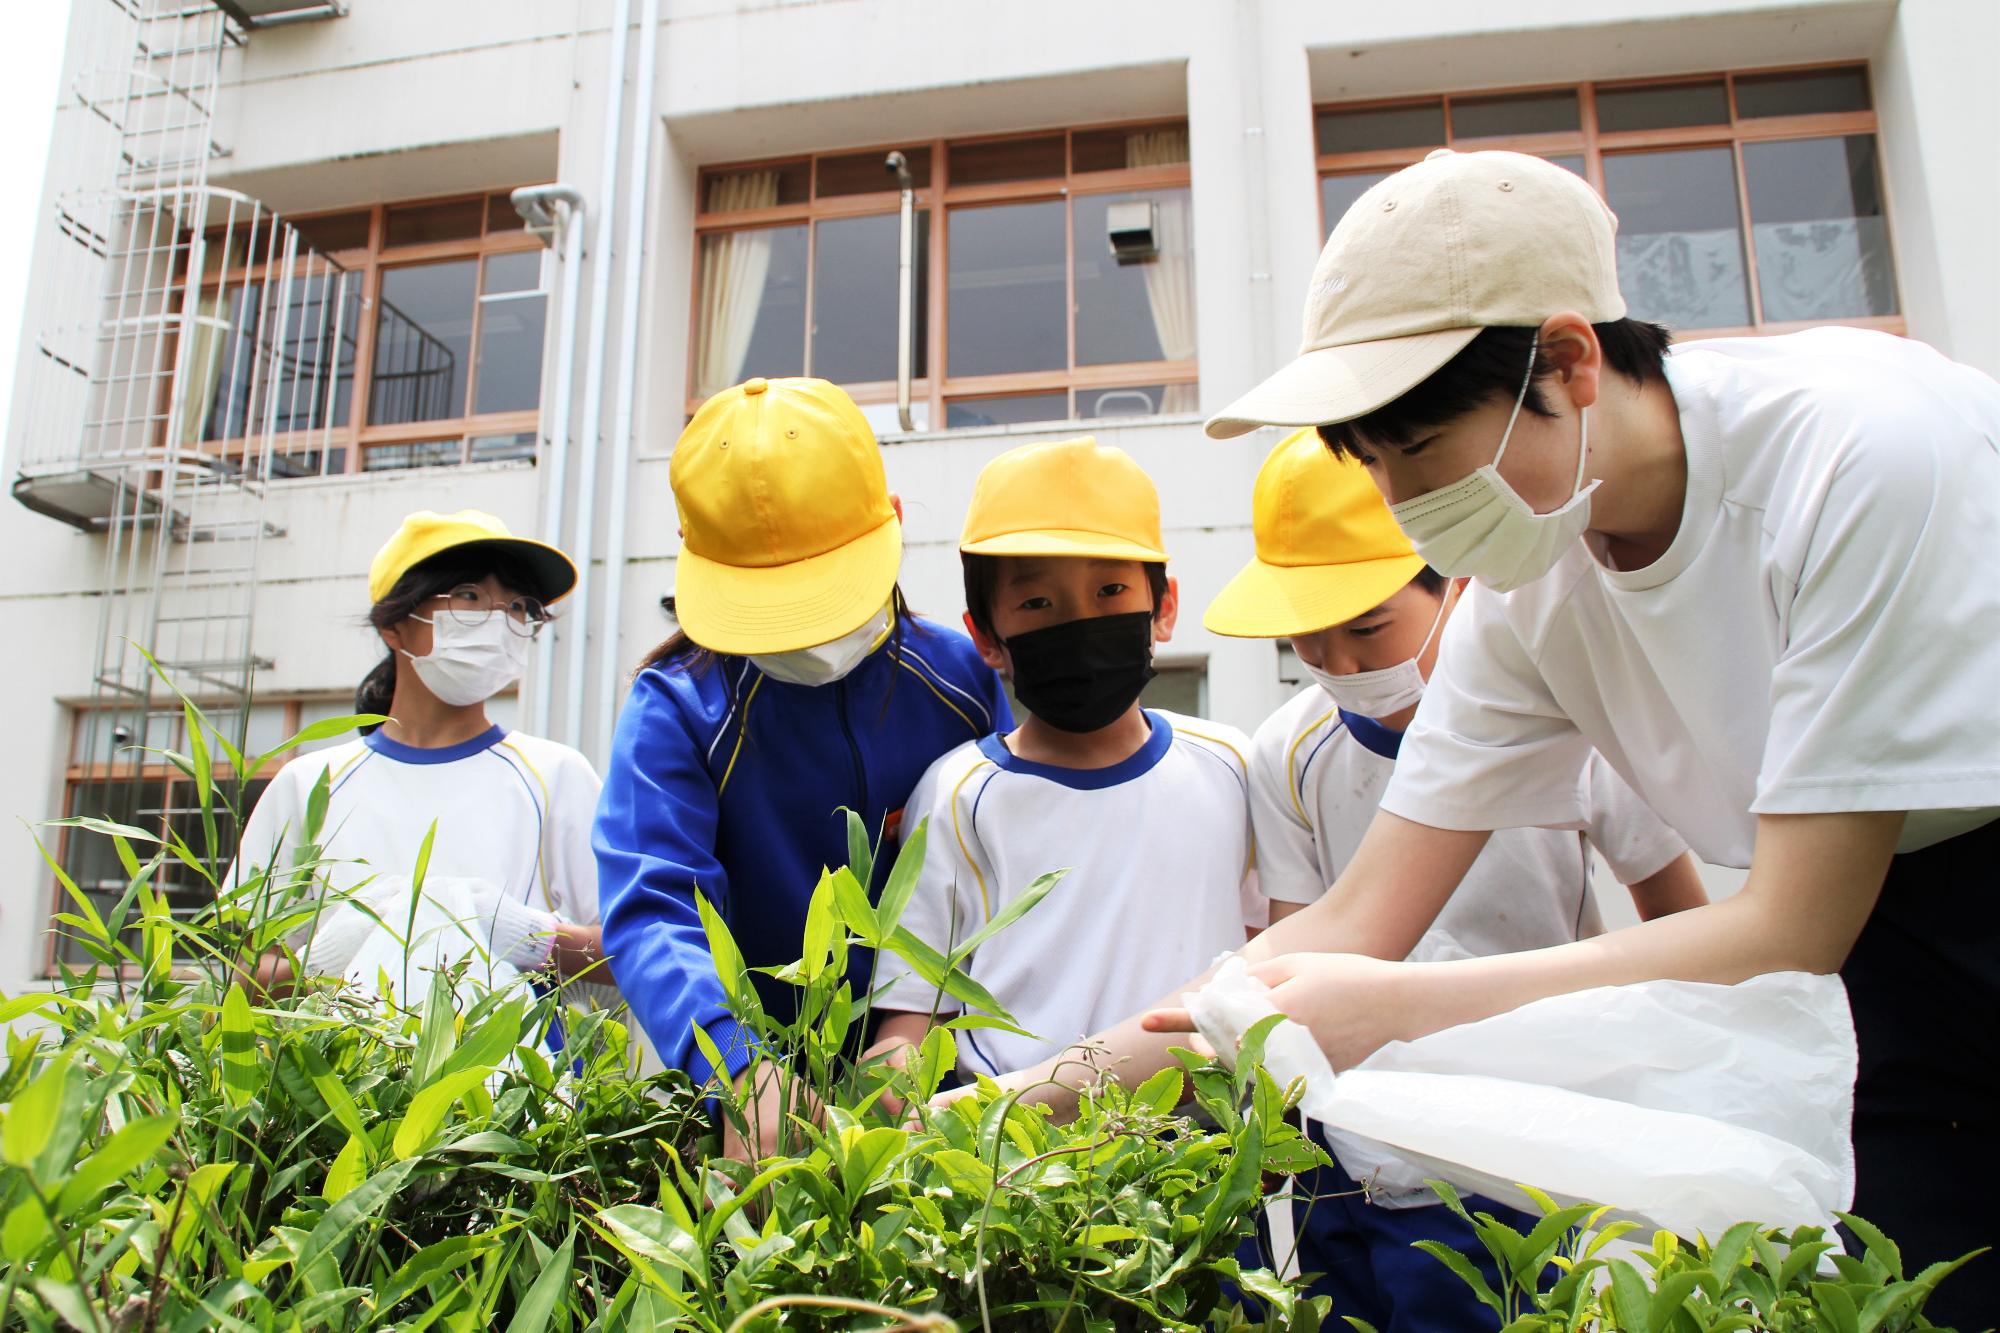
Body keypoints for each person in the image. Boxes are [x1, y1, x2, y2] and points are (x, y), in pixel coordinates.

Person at [974, 148, 1996, 1318]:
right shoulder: (1529, 591)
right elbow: (1355, 922)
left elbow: (1789, 925)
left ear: (1564, 362)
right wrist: (1008, 1109)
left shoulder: (1859, 458)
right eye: (1373, 466)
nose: (1405, 506)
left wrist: (1394, 1004)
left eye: (1418, 451)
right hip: (1873, 964)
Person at [1205, 427, 1705, 1328]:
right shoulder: (1289, 751)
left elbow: (1678, 917)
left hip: (1519, 1136)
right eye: (1307, 639)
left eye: (1367, 625)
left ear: (1456, 583)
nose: (1340, 664)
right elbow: (1289, 944)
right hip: (1348, 1148)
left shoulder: (1569, 724)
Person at [594, 377, 1010, 1154]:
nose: (806, 635)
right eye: (769, 606)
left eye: (821, 594)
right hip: (753, 1107)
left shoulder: (967, 683)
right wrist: (737, 1065)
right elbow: (654, 908)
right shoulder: (681, 710)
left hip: (958, 1095)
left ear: (891, 524)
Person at [870, 437, 1257, 1077]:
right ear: (986, 638)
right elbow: (912, 1014)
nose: (1078, 623)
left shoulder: (1233, 765)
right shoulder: (957, 794)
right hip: (1016, 1157)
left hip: (1207, 1151)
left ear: (1163, 608)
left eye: (1109, 589)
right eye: (1037, 603)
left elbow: (1271, 952)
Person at [236, 509, 607, 997]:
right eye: (469, 597)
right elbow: (234, 979)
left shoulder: (555, 775)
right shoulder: (310, 785)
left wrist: (531, 935)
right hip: (340, 1071)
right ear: (394, 625)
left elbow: (633, 952)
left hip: (518, 1072)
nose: (498, 623)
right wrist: (320, 962)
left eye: (518, 607)